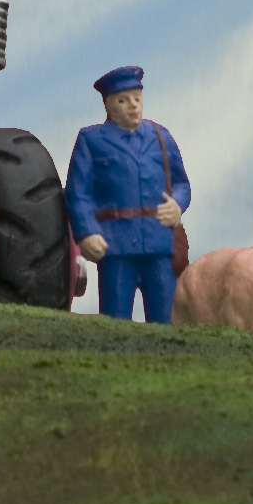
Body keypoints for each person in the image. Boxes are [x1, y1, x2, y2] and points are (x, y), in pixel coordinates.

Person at [65, 66, 190, 322]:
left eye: (137, 99)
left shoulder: (161, 137)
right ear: (108, 105)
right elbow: (78, 193)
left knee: (165, 320)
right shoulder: (91, 140)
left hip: (158, 242)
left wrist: (177, 204)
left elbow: (182, 183)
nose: (133, 106)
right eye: (123, 101)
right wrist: (87, 232)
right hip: (116, 246)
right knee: (116, 320)